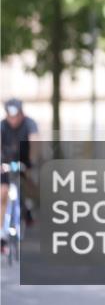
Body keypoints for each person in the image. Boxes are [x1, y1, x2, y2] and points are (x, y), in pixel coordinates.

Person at [1, 98, 40, 250]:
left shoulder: (30, 123)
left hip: (24, 161)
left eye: (16, 116)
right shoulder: (2, 125)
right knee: (2, 192)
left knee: (30, 182)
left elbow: (34, 141)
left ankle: (28, 207)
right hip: (4, 162)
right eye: (10, 116)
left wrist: (33, 161)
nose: (13, 120)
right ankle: (1, 234)